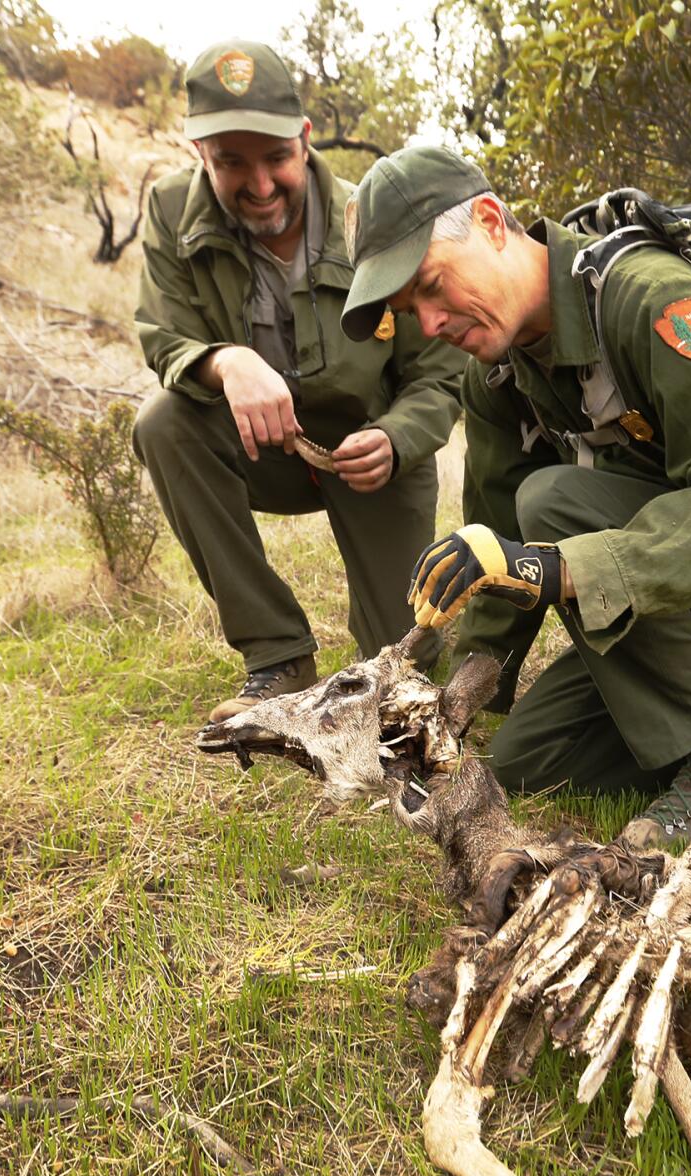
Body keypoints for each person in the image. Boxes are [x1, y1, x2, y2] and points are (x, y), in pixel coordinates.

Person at [336, 147, 691, 851]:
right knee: (531, 759)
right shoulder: (496, 375)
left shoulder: (649, 300)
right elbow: (496, 543)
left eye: (433, 285)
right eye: (412, 310)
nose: (431, 324)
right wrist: (462, 697)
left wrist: (568, 570)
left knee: (555, 503)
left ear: (494, 222)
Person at [133, 42, 466, 722]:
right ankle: (277, 654)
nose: (259, 185)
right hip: (262, 449)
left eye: (275, 158)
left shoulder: (372, 216)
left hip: (371, 458)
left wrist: (397, 439)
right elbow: (164, 337)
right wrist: (227, 361)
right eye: (231, 161)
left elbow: (438, 377)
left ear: (306, 139)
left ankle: (399, 652)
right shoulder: (170, 212)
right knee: (162, 421)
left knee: (399, 670)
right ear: (200, 153)